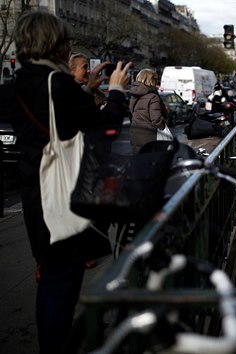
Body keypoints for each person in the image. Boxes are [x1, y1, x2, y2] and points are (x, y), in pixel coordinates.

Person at [7, 10, 132, 354]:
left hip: (36, 192)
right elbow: (105, 131)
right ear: (55, 43)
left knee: (50, 274)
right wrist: (117, 92)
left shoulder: (18, 82)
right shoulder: (58, 84)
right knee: (61, 282)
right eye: (66, 41)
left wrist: (83, 88)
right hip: (63, 193)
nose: (69, 47)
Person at [128, 68, 167, 154]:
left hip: (135, 134)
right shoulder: (153, 97)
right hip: (150, 137)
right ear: (151, 80)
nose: (157, 82)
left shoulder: (134, 95)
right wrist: (164, 125)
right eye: (156, 79)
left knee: (139, 161)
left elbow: (131, 114)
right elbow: (156, 120)